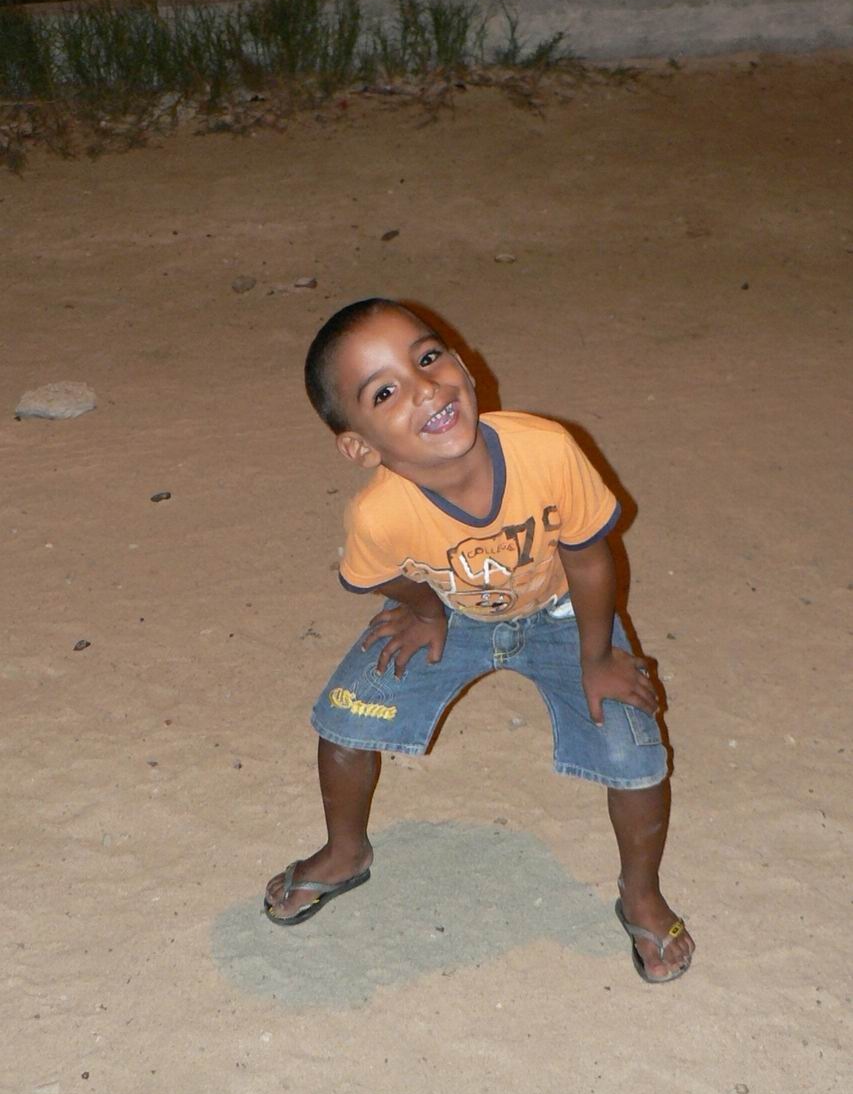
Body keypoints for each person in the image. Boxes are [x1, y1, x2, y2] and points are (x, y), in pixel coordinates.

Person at [264, 298, 694, 983]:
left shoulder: (546, 449)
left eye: (428, 358)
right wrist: (427, 610)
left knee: (634, 755)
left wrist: (597, 656)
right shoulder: (378, 513)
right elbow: (375, 577)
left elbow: (588, 558)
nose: (424, 388)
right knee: (343, 724)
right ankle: (345, 851)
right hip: (455, 612)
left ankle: (639, 892)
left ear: (464, 364)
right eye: (384, 393)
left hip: (562, 609)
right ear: (360, 447)